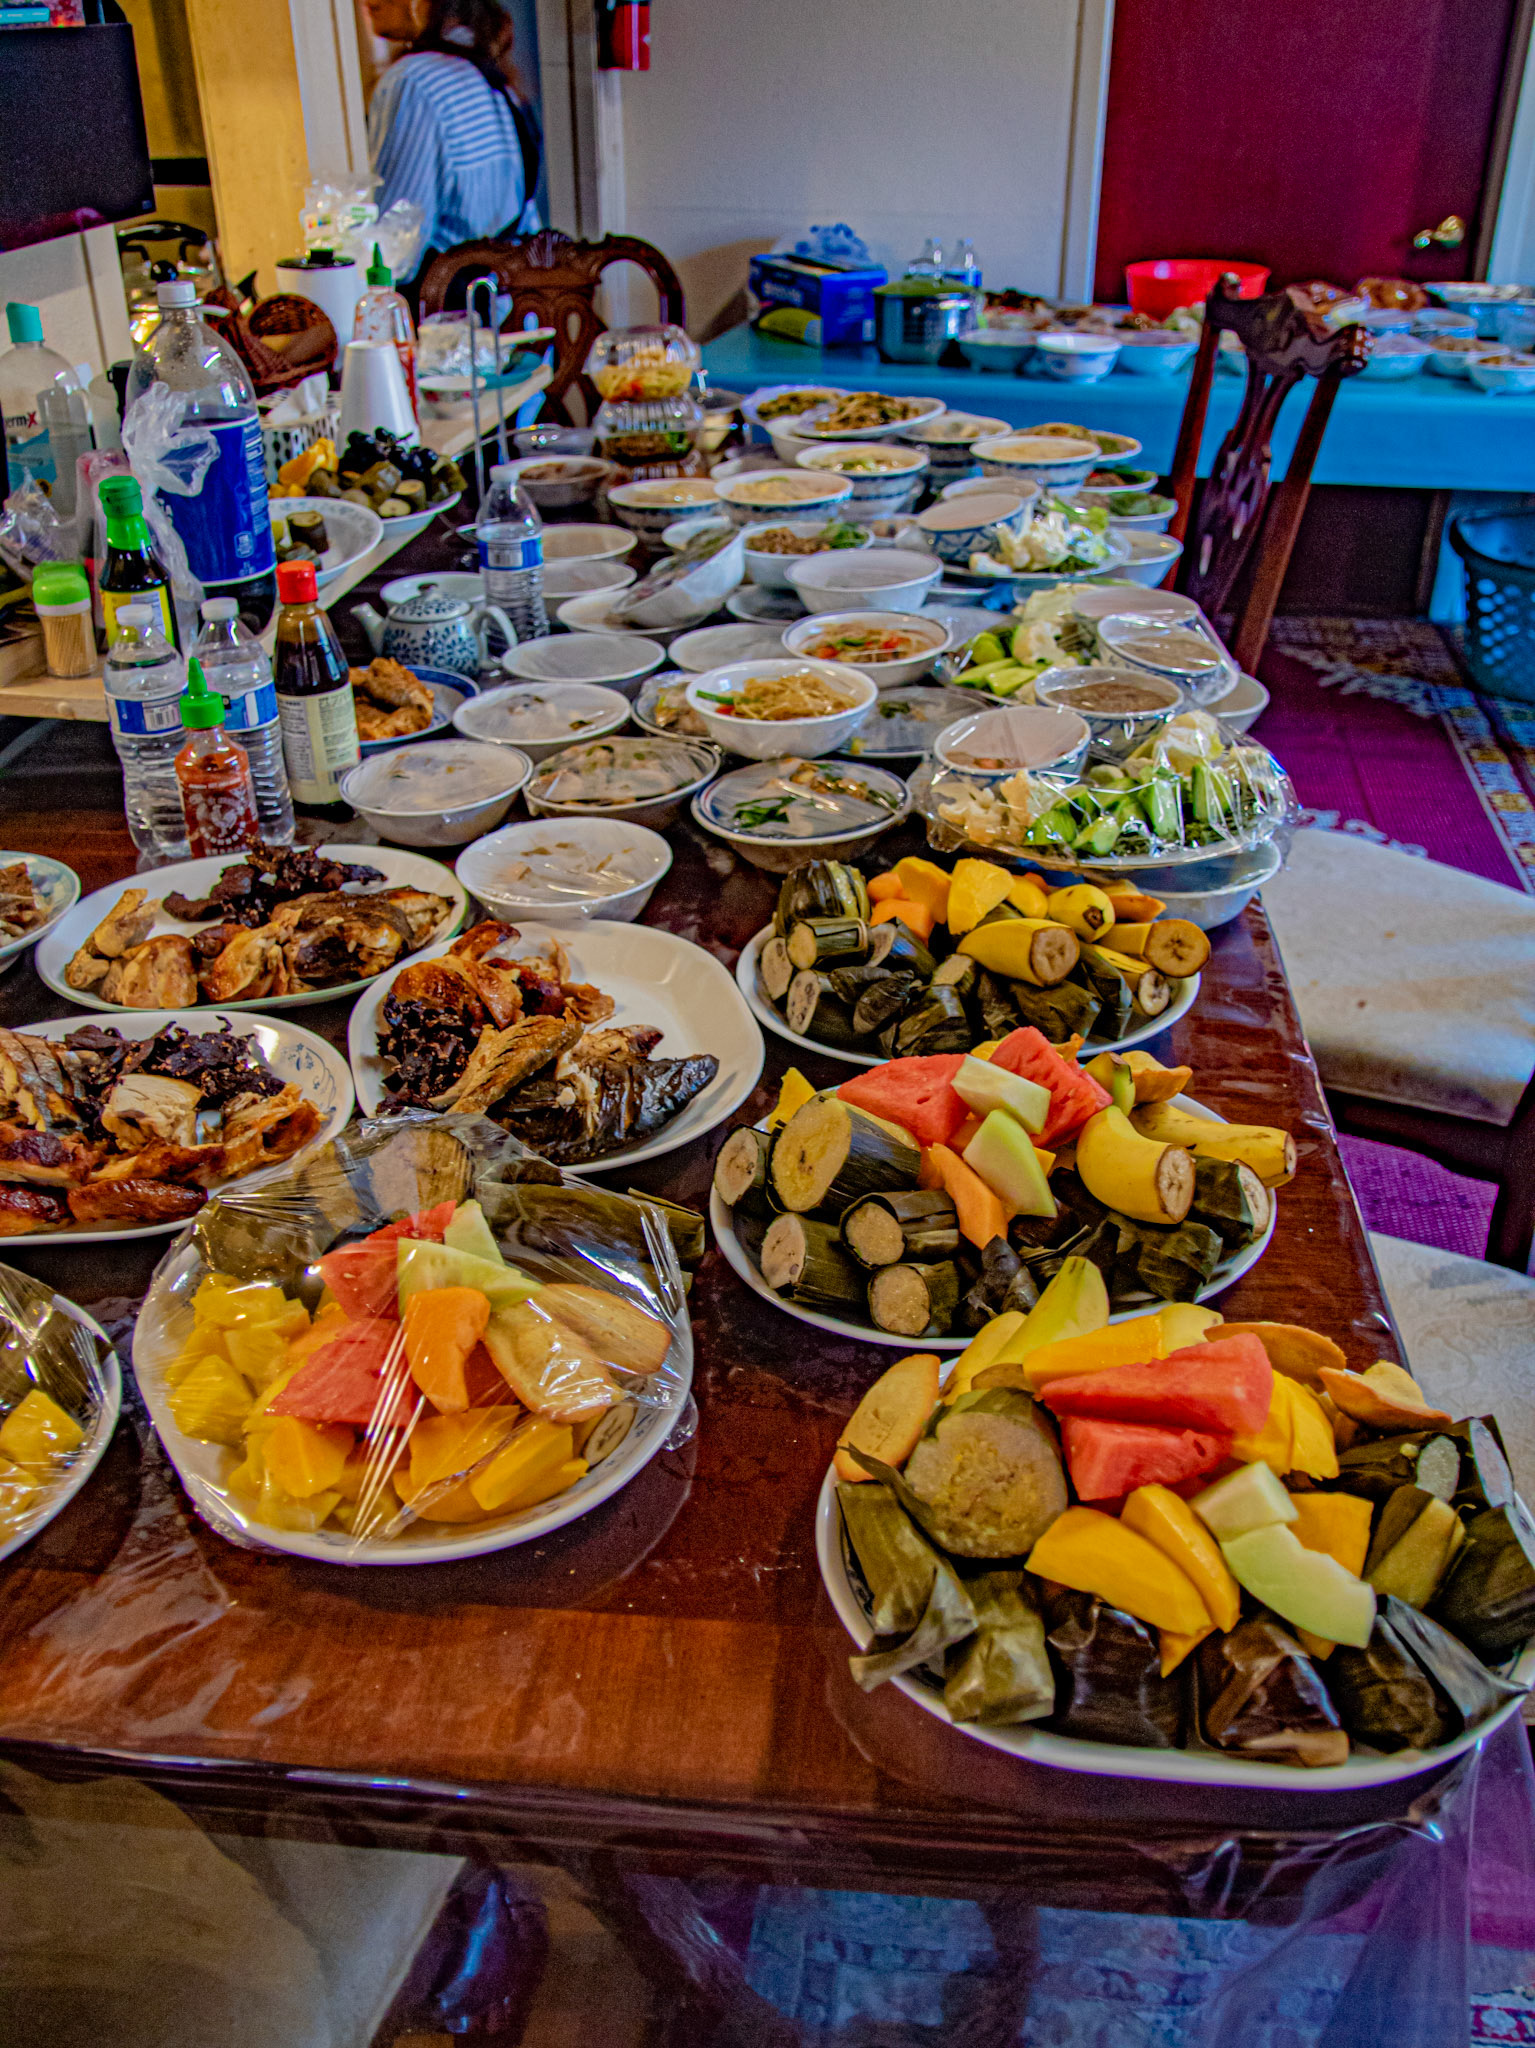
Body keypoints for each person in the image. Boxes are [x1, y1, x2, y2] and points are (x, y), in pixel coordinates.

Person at [364, 0, 542, 281]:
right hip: (503, 298)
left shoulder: (413, 82)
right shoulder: (490, 75)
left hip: (444, 306)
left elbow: (394, 255)